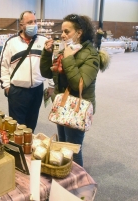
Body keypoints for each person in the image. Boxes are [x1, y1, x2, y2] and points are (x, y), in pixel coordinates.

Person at [40, 14, 109, 167]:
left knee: (73, 150)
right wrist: (47, 53)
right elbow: (46, 73)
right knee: (62, 145)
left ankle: (78, 185)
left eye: (67, 31)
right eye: (62, 32)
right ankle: (65, 180)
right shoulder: (67, 50)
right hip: (63, 105)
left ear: (79, 32)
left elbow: (79, 83)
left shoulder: (91, 55)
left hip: (77, 108)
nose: (63, 35)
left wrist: (68, 58)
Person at [0, 11, 54, 132]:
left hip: (37, 90)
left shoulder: (44, 41)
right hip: (17, 91)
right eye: (29, 22)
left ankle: (28, 148)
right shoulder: (11, 42)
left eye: (35, 21)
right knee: (17, 127)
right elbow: (3, 66)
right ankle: (18, 150)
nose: (33, 25)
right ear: (21, 25)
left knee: (31, 125)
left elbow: (51, 64)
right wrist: (7, 86)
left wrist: (51, 85)